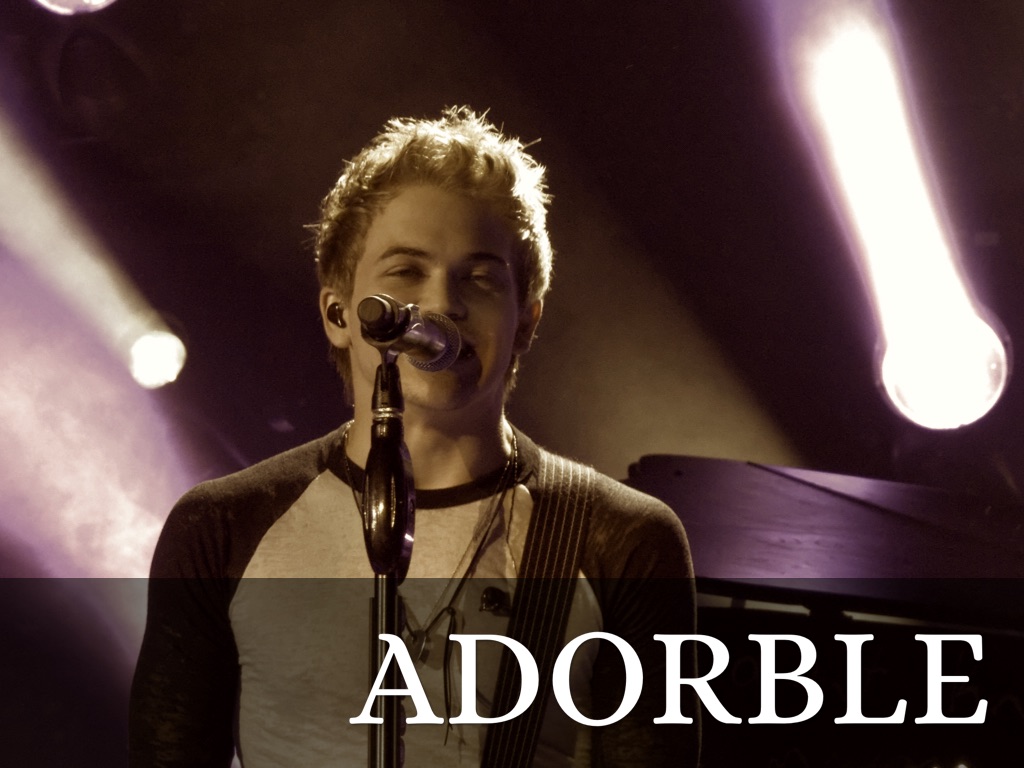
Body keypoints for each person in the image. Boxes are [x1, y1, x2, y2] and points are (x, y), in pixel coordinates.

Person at [129, 107, 699, 767]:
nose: (442, 305)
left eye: (479, 279)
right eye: (406, 272)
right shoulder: (225, 526)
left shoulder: (618, 538)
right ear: (339, 313)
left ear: (526, 323)